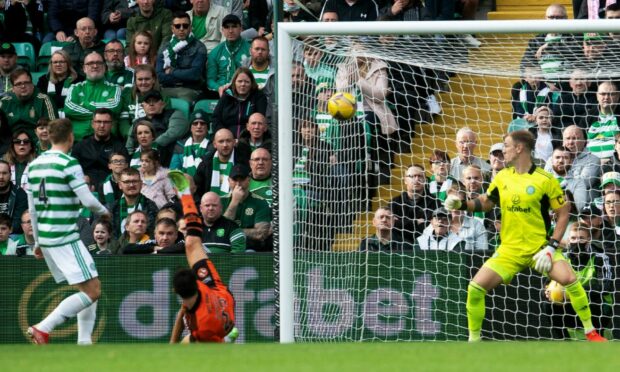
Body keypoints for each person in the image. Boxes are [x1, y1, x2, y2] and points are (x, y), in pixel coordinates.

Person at [444, 129, 607, 342]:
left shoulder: (545, 179)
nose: (503, 152)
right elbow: (486, 202)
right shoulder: (502, 177)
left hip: (539, 248)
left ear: (519, 148)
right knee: (475, 288)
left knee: (571, 281)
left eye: (507, 147)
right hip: (509, 250)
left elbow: (564, 212)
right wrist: (462, 204)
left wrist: (551, 247)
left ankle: (591, 332)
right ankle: (474, 342)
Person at [25, 118, 111, 345]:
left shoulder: (33, 166)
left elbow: (32, 210)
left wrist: (37, 242)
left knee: (87, 288)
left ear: (50, 136)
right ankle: (43, 328)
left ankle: (84, 342)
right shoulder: (68, 163)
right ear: (70, 136)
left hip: (47, 237)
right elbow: (87, 200)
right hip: (65, 236)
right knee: (93, 290)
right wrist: (104, 211)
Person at [168, 170, 237, 343]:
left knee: (187, 345)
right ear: (197, 282)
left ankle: (230, 338)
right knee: (192, 244)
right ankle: (185, 194)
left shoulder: (205, 327)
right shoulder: (195, 291)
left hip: (218, 318)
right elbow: (182, 314)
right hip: (220, 294)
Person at [543, 223, 613, 340]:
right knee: (547, 305)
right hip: (570, 307)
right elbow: (546, 284)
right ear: (568, 240)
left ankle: (597, 336)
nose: (577, 242)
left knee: (598, 303)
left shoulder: (599, 258)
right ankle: (564, 341)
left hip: (597, 308)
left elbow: (606, 287)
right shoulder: (562, 258)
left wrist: (571, 293)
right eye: (573, 238)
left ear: (588, 240)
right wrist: (547, 293)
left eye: (581, 238)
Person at [64, 52, 124, 141]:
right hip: (78, 140)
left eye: (99, 63)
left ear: (104, 68)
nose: (95, 66)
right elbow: (68, 109)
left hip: (106, 141)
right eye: (90, 63)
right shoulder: (75, 88)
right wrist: (101, 117)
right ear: (84, 68)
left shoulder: (114, 89)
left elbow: (115, 107)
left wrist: (86, 103)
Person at [156, 11, 208, 103]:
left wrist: (172, 71)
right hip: (166, 88)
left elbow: (195, 74)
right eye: (177, 26)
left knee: (183, 102)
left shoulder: (199, 47)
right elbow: (159, 75)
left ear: (190, 28)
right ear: (172, 28)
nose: (181, 29)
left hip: (190, 89)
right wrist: (182, 77)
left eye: (185, 26)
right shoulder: (165, 46)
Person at [126, 90, 189, 166]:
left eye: (155, 101)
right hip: (142, 159)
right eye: (148, 101)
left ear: (162, 104)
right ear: (142, 106)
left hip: (170, 156)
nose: (151, 104)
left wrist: (153, 145)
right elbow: (129, 145)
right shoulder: (137, 122)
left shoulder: (174, 114)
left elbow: (174, 132)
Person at [72, 108, 129, 186]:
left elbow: (125, 172)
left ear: (111, 124)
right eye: (98, 122)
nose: (102, 125)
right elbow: (72, 172)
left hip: (112, 188)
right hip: (86, 188)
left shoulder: (119, 147)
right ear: (92, 124)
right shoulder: (80, 146)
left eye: (106, 122)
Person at [221, 164, 272, 252]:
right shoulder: (220, 201)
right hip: (225, 247)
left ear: (248, 180)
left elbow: (261, 233)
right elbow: (221, 231)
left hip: (250, 248)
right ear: (229, 181)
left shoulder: (260, 202)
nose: (238, 184)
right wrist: (234, 202)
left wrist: (233, 232)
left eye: (242, 180)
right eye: (234, 180)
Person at [193, 128, 251, 199]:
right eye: (221, 141)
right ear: (214, 144)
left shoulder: (243, 162)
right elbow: (197, 188)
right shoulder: (206, 162)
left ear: (234, 142)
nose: (225, 145)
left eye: (228, 141)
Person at [211, 67, 268, 139]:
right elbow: (216, 119)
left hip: (249, 139)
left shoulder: (258, 97)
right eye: (240, 81)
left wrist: (244, 140)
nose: (243, 84)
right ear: (234, 82)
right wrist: (226, 136)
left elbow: (260, 120)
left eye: (247, 82)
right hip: (226, 140)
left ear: (251, 83)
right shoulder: (226, 96)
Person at [0, 69, 58, 139]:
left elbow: (53, 128)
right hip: (10, 144)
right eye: (18, 84)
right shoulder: (4, 102)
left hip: (38, 144)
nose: (23, 86)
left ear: (32, 85)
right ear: (13, 88)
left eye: (26, 82)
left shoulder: (44, 100)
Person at [388, 164, 438, 245]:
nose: (417, 179)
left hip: (427, 246)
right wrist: (415, 222)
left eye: (420, 176)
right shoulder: (394, 203)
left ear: (425, 180)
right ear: (405, 180)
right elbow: (392, 224)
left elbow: (432, 225)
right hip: (399, 246)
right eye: (412, 176)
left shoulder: (434, 202)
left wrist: (403, 223)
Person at [206, 14, 251, 98]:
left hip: (244, 90)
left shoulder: (250, 49)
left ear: (241, 28)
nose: (230, 30)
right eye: (227, 27)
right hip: (221, 91)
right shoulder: (215, 52)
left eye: (234, 26)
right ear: (222, 30)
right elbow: (210, 80)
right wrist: (218, 88)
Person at [119, 65, 172, 135]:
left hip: (155, 136)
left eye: (147, 79)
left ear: (153, 80)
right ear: (135, 81)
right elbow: (124, 122)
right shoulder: (127, 96)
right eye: (140, 79)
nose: (143, 82)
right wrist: (133, 135)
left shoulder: (163, 97)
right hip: (132, 136)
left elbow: (166, 121)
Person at [109, 167, 159, 238]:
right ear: (120, 185)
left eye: (135, 181)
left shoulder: (151, 206)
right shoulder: (111, 208)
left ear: (141, 184)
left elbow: (153, 232)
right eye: (127, 182)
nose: (131, 185)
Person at [582, 81, 620, 160]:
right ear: (597, 96)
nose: (606, 97)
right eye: (603, 94)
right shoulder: (588, 116)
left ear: (618, 96)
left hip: (615, 162)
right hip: (589, 162)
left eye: (611, 94)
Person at [36, 50, 81, 116]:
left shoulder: (78, 80)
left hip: (72, 116)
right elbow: (40, 101)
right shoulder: (44, 80)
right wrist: (64, 100)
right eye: (55, 62)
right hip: (47, 116)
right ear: (51, 64)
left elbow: (77, 101)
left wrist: (51, 99)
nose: (58, 65)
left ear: (68, 64)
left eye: (61, 62)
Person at [169, 110, 211, 176]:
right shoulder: (179, 145)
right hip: (184, 184)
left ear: (207, 127)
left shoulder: (213, 145)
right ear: (190, 128)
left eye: (202, 123)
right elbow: (174, 171)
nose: (199, 126)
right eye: (195, 123)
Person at [0, 160, 28, 234]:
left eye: (4, 173)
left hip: (13, 236)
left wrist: (3, 232)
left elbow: (19, 224)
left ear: (10, 175)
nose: (1, 177)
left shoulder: (20, 194)